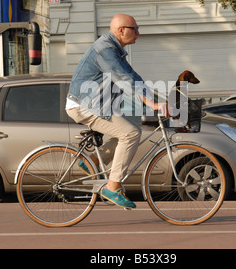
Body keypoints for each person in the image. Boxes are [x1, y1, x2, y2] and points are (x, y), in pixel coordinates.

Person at [66, 14, 168, 209]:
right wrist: (151, 104)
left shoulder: (114, 49)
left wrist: (157, 100)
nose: (138, 33)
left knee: (129, 129)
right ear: (122, 30)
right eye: (135, 29)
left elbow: (133, 76)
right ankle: (112, 187)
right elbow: (123, 78)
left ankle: (92, 161)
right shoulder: (105, 49)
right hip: (84, 106)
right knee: (130, 134)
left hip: (95, 105)